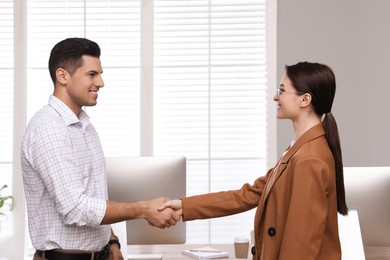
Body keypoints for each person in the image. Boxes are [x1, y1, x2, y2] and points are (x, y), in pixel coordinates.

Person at [160, 61, 348, 260]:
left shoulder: (309, 159)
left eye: (282, 90)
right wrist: (184, 206)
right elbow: (249, 194)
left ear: (305, 99)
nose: (276, 96)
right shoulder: (299, 150)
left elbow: (300, 246)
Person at [21, 37, 182, 260]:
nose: (101, 83)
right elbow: (75, 208)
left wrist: (111, 239)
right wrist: (143, 209)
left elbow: (92, 196)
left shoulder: (85, 127)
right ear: (62, 76)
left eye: (100, 74)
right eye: (92, 74)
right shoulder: (49, 128)